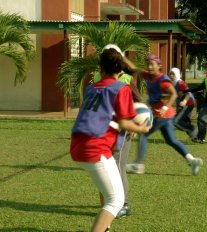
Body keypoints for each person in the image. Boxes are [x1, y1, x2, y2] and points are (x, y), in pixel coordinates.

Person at [70, 46, 150, 232]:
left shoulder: (91, 88)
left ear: (100, 68)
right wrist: (142, 127)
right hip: (95, 148)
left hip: (78, 145)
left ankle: (105, 227)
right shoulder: (120, 88)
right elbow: (125, 122)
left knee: (108, 191)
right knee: (116, 201)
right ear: (120, 69)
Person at [125, 55, 203, 176]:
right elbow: (135, 69)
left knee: (143, 135)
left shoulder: (163, 81)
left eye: (152, 64)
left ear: (159, 66)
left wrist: (165, 107)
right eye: (148, 64)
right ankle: (192, 160)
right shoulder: (149, 76)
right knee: (171, 140)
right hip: (167, 116)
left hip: (161, 115)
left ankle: (138, 165)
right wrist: (121, 56)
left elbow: (174, 94)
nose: (149, 67)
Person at [169, 67, 198, 140]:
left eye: (173, 74)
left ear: (177, 74)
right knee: (185, 121)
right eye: (170, 74)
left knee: (176, 121)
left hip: (188, 104)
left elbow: (187, 93)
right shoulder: (173, 84)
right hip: (182, 106)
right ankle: (195, 137)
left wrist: (184, 101)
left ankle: (193, 128)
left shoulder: (180, 83)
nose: (171, 76)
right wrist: (178, 107)